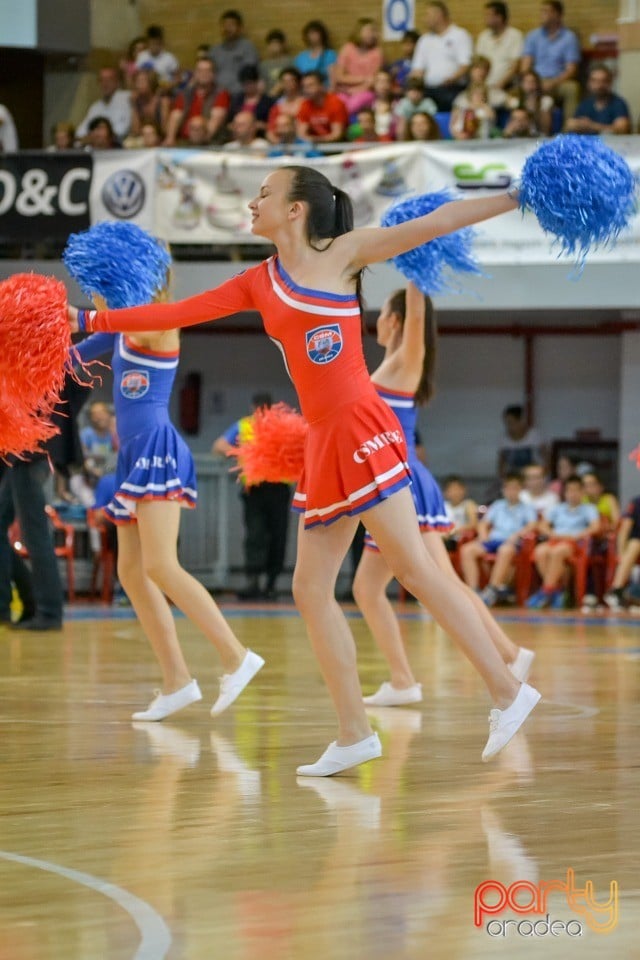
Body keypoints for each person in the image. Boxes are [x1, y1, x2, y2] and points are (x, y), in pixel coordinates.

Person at [69, 165, 541, 773]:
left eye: (265, 193)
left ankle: (507, 690)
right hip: (325, 440)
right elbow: (176, 311)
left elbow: (438, 221)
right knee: (310, 588)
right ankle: (354, 733)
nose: (252, 202)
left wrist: (511, 196)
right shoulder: (257, 280)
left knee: (414, 569)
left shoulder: (345, 252)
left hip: (361, 426)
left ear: (296, 209)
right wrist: (87, 321)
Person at [72, 250, 264, 723]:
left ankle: (236, 656)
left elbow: (125, 326)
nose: (92, 294)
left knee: (160, 564)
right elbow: (68, 358)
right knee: (132, 573)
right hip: (132, 455)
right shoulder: (117, 328)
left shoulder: (159, 322)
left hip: (158, 446)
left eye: (100, 284)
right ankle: (177, 680)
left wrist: (82, 314)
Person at [352, 286, 535, 706]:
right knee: (372, 587)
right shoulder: (391, 366)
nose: (376, 321)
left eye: (382, 314)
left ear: (395, 320)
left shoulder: (404, 361)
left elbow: (418, 316)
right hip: (396, 479)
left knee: (435, 583)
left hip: (403, 483)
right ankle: (407, 680)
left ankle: (504, 657)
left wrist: (419, 262)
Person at [213, 394, 291, 601]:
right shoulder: (245, 426)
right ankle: (254, 582)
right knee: (255, 536)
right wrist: (243, 454)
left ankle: (270, 584)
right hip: (255, 489)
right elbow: (218, 446)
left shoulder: (282, 427)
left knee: (277, 537)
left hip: (278, 488)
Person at [459, 473, 537, 605]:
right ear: (504, 490)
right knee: (467, 550)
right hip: (493, 540)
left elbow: (532, 525)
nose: (511, 491)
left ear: (521, 490)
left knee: (505, 550)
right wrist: (483, 534)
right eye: (508, 488)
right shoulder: (497, 505)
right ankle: (473, 590)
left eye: (515, 488)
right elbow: (484, 523)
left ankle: (492, 590)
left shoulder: (527, 507)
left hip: (510, 542)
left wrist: (517, 535)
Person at [527, 475, 601, 609]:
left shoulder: (589, 509)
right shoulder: (557, 508)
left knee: (558, 551)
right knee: (540, 550)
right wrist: (552, 533)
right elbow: (543, 525)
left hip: (575, 543)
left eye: (576, 490)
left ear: (582, 492)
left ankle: (546, 590)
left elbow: (595, 527)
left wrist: (579, 535)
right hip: (556, 539)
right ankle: (556, 590)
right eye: (569, 490)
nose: (572, 494)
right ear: (564, 493)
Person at [520, 0, 581, 128]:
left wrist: (553, 82)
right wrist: (530, 80)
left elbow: (572, 70)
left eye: (546, 11)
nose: (542, 15)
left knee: (572, 88)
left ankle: (568, 131)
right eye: (542, 11)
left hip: (558, 81)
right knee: (519, 89)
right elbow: (525, 65)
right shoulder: (533, 36)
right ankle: (519, 128)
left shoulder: (569, 38)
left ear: (558, 15)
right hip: (536, 78)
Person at [410, 1, 473, 112]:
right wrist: (413, 87)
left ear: (438, 15)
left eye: (428, 15)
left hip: (452, 88)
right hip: (428, 89)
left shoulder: (460, 35)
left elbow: (466, 65)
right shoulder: (424, 40)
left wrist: (452, 78)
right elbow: (417, 69)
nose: (425, 19)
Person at [164, 57, 229, 146]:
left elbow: (215, 121)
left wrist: (202, 141)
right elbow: (175, 116)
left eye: (207, 71)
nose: (203, 74)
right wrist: (170, 138)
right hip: (185, 140)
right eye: (200, 71)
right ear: (195, 73)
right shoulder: (185, 93)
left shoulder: (221, 93)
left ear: (213, 74)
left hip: (209, 142)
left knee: (198, 123)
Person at [334, 18, 384, 117]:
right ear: (359, 32)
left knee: (353, 104)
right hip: (345, 91)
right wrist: (363, 79)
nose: (372, 34)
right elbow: (339, 76)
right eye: (369, 31)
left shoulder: (377, 53)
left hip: (366, 92)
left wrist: (357, 89)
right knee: (337, 103)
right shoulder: (347, 49)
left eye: (374, 31)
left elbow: (373, 80)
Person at [567, 63, 631, 136]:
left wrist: (591, 126)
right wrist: (576, 125)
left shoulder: (618, 103)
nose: (599, 85)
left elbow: (622, 129)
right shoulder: (585, 104)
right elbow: (571, 124)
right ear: (588, 83)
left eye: (604, 81)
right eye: (594, 81)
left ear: (610, 82)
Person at [475, 1, 523, 94]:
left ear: (499, 17)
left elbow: (515, 66)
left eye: (488, 15)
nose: (485, 18)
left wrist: (500, 84)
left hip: (506, 85)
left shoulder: (515, 35)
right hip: (484, 86)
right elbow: (478, 64)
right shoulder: (483, 37)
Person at [76, 67, 132, 144]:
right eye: (102, 80)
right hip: (99, 150)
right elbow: (80, 133)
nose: (105, 84)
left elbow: (121, 131)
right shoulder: (95, 107)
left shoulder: (127, 99)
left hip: (122, 150)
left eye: (109, 80)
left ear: (117, 82)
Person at [209, 9, 259, 97]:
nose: (227, 28)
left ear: (240, 28)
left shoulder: (247, 47)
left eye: (231, 25)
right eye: (224, 25)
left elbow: (249, 74)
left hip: (240, 95)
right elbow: (209, 74)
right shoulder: (214, 51)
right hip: (217, 96)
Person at [604, 495, 640, 610]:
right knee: (635, 544)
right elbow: (624, 529)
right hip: (635, 545)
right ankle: (617, 590)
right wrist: (620, 553)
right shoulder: (636, 502)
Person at [296, 71, 349, 144]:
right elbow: (301, 134)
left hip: (337, 146)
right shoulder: (305, 105)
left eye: (310, 85)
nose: (306, 90)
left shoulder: (336, 103)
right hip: (315, 147)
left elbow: (337, 135)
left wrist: (315, 140)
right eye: (304, 87)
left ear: (321, 85)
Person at [497, 404, 546, 477]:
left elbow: (547, 459)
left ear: (520, 421)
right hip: (514, 479)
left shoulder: (534, 436)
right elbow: (501, 463)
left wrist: (541, 476)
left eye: (511, 423)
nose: (509, 426)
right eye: (507, 423)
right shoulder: (504, 439)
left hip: (532, 477)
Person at [293, 20, 337, 90]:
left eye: (316, 33)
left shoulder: (329, 54)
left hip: (324, 91)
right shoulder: (301, 57)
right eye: (310, 33)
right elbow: (297, 79)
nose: (313, 36)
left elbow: (333, 80)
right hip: (305, 93)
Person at [129, 69, 170, 140]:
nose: (138, 85)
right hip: (143, 140)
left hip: (161, 140)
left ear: (151, 83)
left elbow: (165, 130)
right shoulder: (137, 102)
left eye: (142, 81)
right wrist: (134, 105)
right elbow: (135, 131)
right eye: (137, 82)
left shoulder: (163, 101)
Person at [259, 29, 293, 98]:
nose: (274, 46)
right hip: (268, 97)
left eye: (277, 43)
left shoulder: (290, 61)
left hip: (286, 96)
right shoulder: (263, 65)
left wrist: (276, 90)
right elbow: (262, 84)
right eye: (271, 43)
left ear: (283, 45)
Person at [389, 29, 420, 94]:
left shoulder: (420, 65)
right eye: (405, 43)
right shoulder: (397, 64)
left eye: (410, 43)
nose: (407, 46)